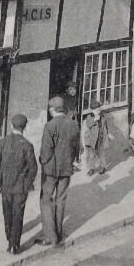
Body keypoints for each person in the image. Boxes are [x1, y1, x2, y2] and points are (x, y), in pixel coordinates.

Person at [36, 96, 80, 246]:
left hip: (50, 170)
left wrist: (42, 161)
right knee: (61, 200)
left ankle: (50, 236)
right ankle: (59, 233)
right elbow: (76, 147)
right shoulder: (74, 124)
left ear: (51, 109)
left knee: (46, 200)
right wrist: (71, 161)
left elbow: (46, 150)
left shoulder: (50, 125)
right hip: (66, 169)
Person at [0, 113, 38, 254]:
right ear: (24, 127)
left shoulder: (2, 142)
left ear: (11, 126)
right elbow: (33, 168)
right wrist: (26, 182)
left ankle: (9, 238)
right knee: (18, 214)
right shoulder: (27, 145)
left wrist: (1, 176)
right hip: (20, 187)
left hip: (5, 185)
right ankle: (14, 245)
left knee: (7, 213)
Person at [82, 99, 112, 175]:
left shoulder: (102, 117)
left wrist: (108, 134)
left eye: (99, 109)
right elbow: (88, 125)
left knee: (102, 154)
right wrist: (95, 119)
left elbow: (105, 126)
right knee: (91, 155)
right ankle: (91, 169)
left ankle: (103, 167)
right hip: (92, 139)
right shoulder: (89, 117)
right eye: (96, 110)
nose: (98, 111)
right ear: (92, 110)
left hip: (101, 138)